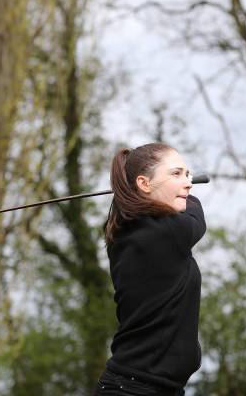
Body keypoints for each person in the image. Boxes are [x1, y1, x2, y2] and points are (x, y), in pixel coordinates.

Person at [94, 143, 206, 396]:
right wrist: (189, 196)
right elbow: (196, 217)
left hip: (150, 388)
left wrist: (166, 191)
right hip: (134, 389)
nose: (188, 183)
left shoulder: (130, 229)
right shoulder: (165, 231)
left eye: (188, 174)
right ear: (144, 184)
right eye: (176, 174)